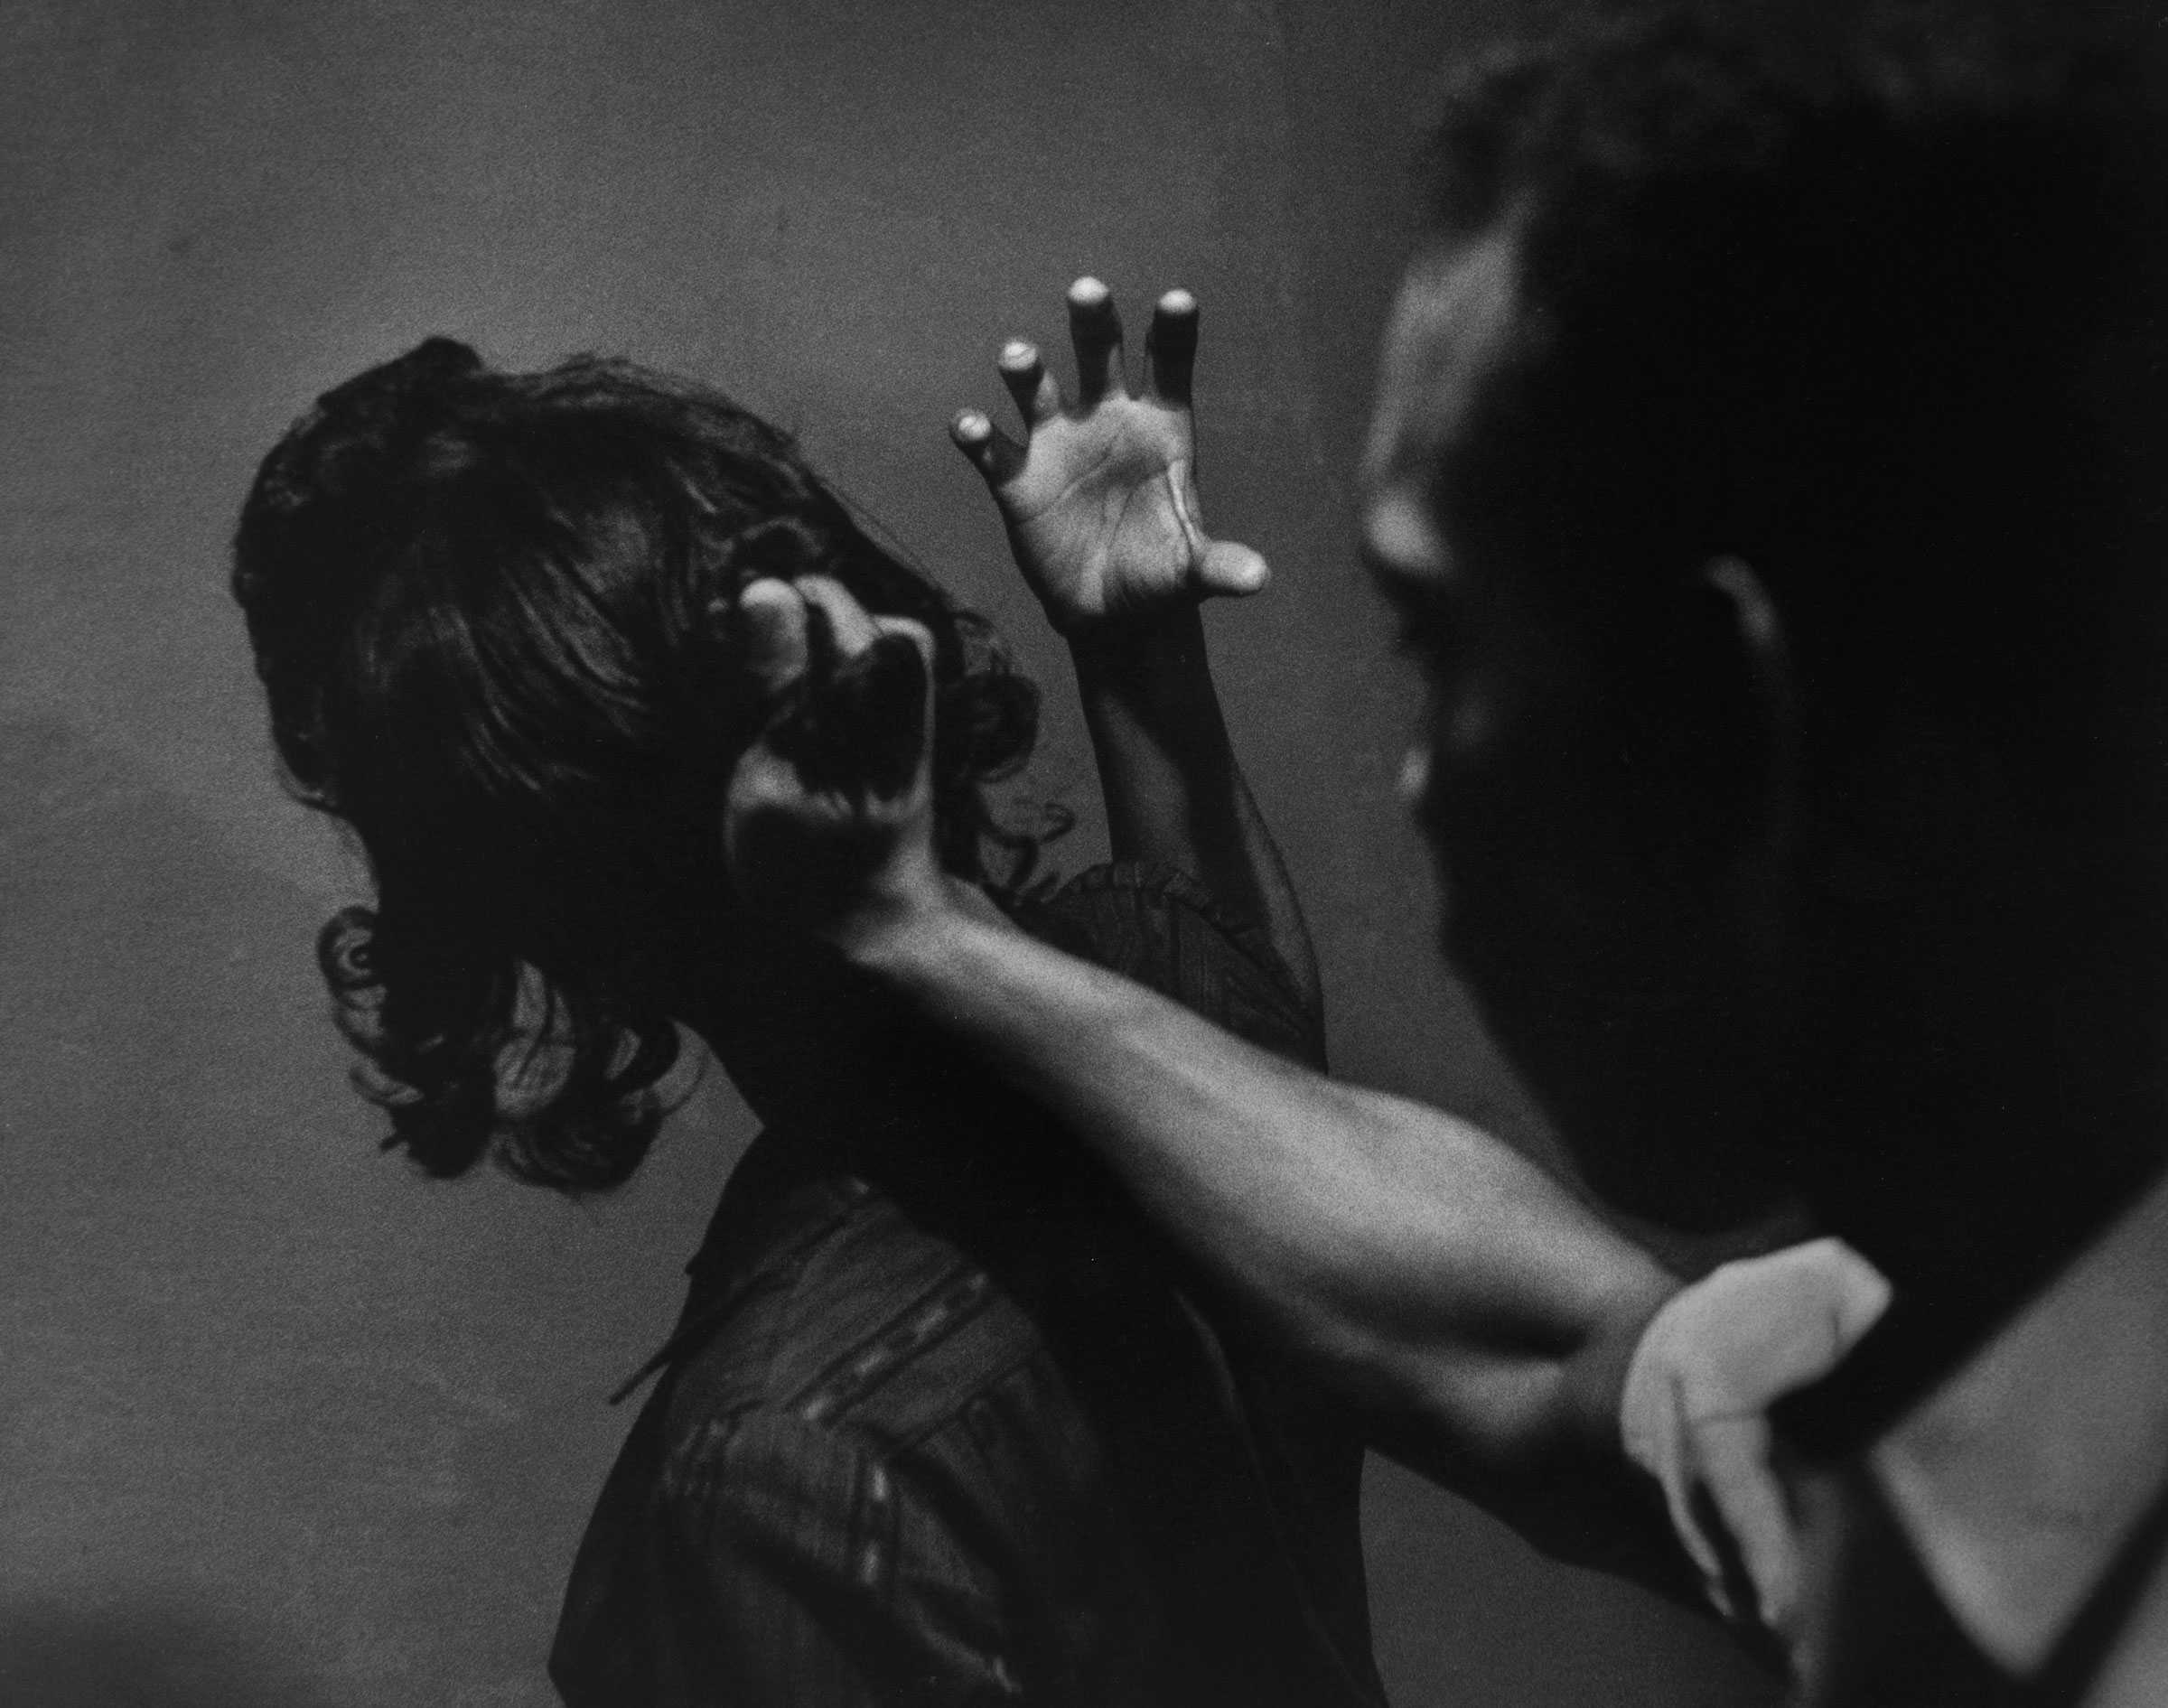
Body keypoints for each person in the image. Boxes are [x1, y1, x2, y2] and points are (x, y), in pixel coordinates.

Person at [723, 5, 2168, 1699]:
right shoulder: (1971, 1341)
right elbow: (1506, 1340)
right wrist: (934, 919)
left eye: (1439, 638)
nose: (1419, 781)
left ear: (1730, 698)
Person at [230, 333, 1404, 1705]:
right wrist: (1139, 658)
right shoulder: (1164, 1002)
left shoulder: (781, 1470)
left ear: (559, 914)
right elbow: (1242, 977)